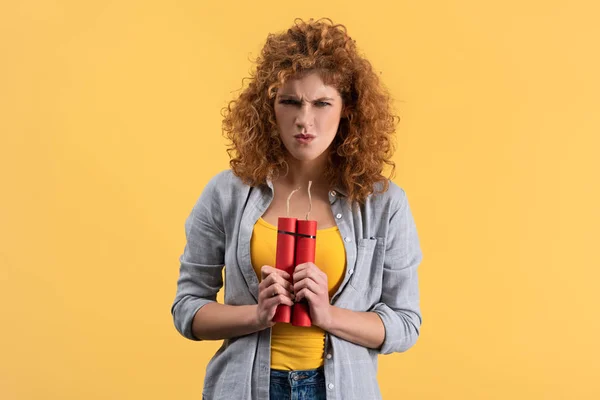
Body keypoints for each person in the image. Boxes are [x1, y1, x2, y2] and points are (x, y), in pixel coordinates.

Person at [171, 17, 423, 400]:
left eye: (322, 103)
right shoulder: (227, 193)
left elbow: (405, 324)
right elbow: (188, 309)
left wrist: (327, 315)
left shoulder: (383, 202)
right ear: (268, 108)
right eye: (290, 101)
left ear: (348, 110)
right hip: (242, 390)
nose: (305, 121)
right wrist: (256, 314)